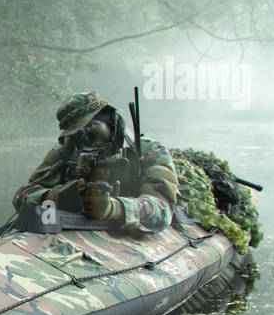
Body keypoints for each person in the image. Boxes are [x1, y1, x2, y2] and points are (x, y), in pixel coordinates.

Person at [13, 91, 178, 233]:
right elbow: (22, 196)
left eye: (92, 129)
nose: (87, 140)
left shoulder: (149, 152)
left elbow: (162, 211)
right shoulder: (69, 147)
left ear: (110, 121)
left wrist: (112, 208)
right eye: (79, 133)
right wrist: (60, 197)